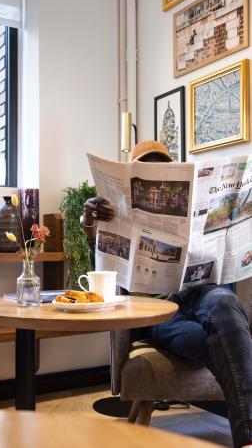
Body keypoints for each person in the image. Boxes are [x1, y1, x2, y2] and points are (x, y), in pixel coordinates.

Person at [81, 140, 252, 448]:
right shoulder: (111, 210)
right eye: (148, 165)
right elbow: (101, 271)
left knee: (226, 303)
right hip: (156, 310)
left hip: (199, 291)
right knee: (215, 339)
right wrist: (90, 226)